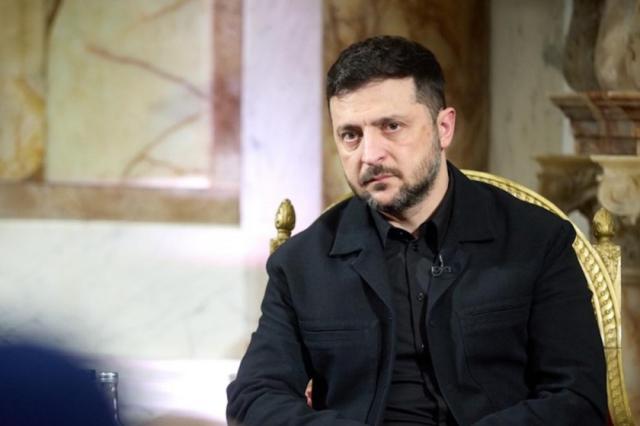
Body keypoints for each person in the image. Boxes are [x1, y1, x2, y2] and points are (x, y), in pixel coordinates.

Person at [227, 35, 606, 425]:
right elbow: (254, 397)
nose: (370, 155)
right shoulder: (302, 264)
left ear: (444, 128)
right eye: (351, 135)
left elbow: (578, 397)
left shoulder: (537, 240)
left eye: (392, 126)